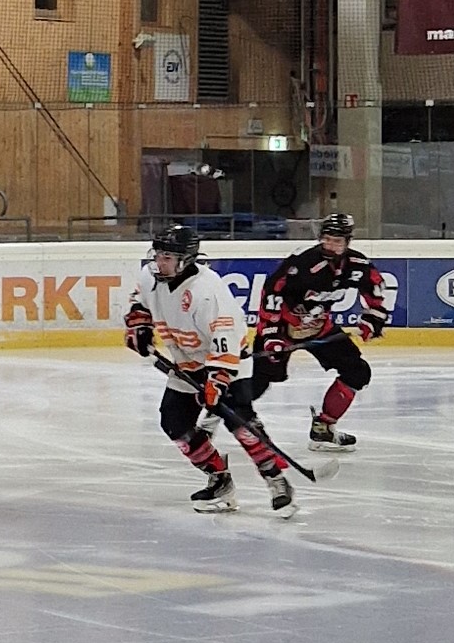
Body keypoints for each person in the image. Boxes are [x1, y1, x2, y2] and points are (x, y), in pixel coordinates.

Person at [126, 227, 324, 517]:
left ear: (186, 259)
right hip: (186, 362)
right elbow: (139, 304)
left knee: (242, 424)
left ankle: (276, 480)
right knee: (174, 424)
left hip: (228, 362)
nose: (159, 261)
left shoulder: (207, 291)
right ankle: (220, 480)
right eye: (157, 255)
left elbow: (226, 339)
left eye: (167, 256)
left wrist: (216, 381)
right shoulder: (151, 278)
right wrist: (139, 327)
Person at [246, 212, 388, 452]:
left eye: (337, 241)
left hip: (320, 328)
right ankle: (220, 412)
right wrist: (269, 334)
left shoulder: (357, 265)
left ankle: (324, 428)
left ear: (348, 242)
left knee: (357, 372)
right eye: (327, 239)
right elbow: (272, 291)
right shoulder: (302, 262)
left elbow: (375, 289)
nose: (330, 245)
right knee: (259, 381)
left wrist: (372, 320)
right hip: (283, 327)